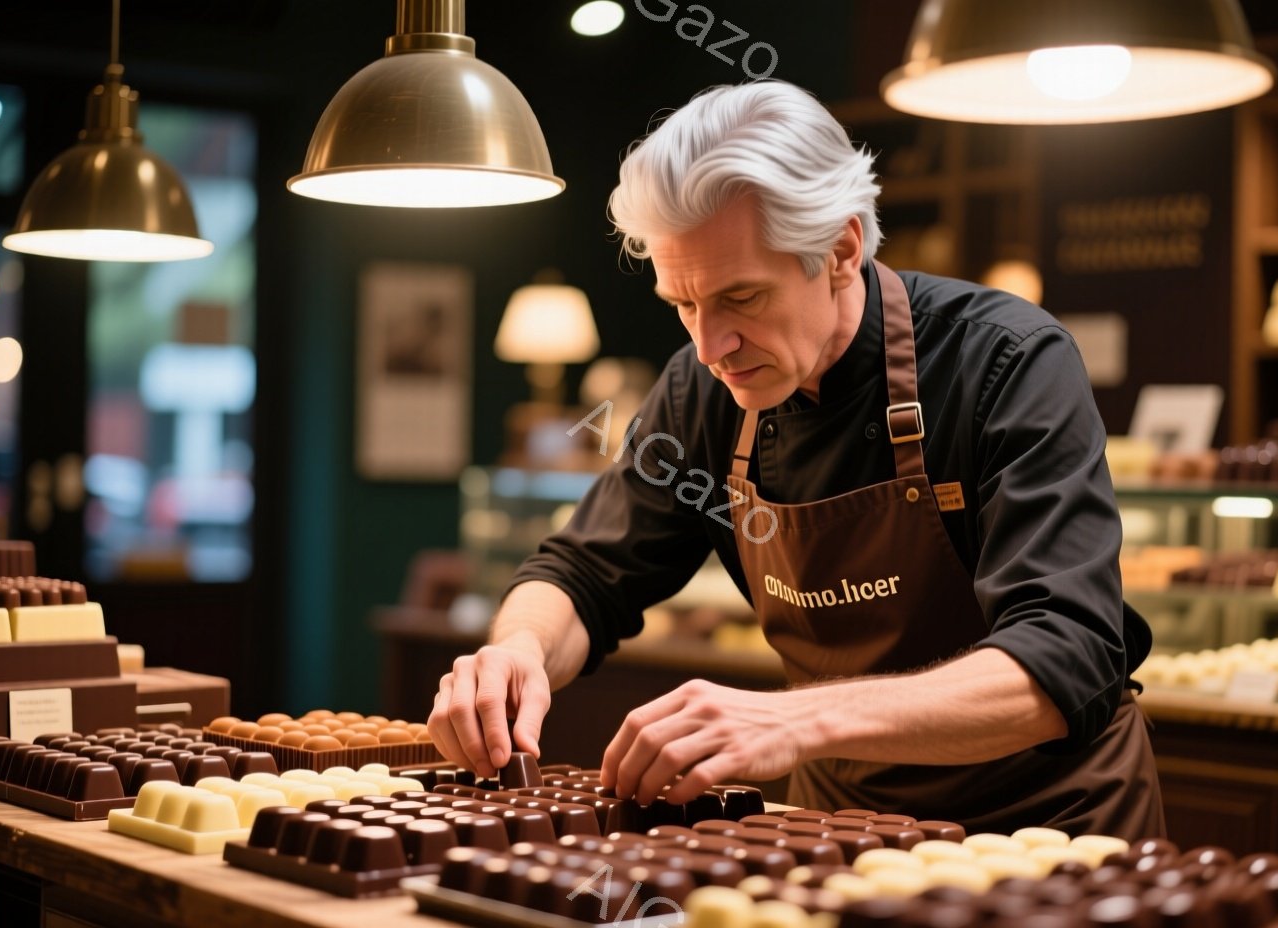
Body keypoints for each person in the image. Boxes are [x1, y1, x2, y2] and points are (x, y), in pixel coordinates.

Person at [428, 81, 1164, 839]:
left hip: (1050, 830)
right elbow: (583, 576)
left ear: (841, 250)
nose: (710, 347)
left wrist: (796, 719)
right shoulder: (704, 389)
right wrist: (516, 649)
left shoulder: (1004, 360)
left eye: (741, 297)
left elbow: (1064, 656)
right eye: (683, 303)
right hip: (844, 827)